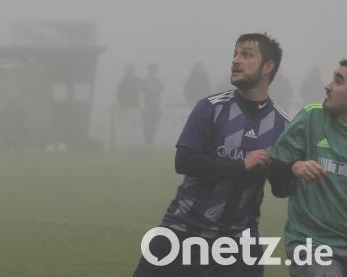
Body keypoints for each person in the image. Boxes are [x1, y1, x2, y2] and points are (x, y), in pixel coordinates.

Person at [133, 33, 290, 276]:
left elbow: (281, 190)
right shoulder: (211, 107)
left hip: (237, 243)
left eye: (246, 54)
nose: (236, 60)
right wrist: (242, 165)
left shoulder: (282, 125)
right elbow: (184, 161)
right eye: (235, 53)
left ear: (268, 66)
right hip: (183, 232)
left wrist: (290, 170)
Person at [269, 60, 347, 276]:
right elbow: (276, 179)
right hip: (314, 247)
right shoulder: (311, 117)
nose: (328, 85)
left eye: (338, 81)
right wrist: (294, 167)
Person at [141, 63, 164, 147]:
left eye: (154, 70)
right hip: (147, 106)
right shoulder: (145, 81)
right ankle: (146, 140)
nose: (153, 71)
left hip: (156, 106)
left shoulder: (158, 81)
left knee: (154, 123)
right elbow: (143, 92)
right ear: (149, 70)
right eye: (151, 69)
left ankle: (151, 140)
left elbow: (162, 89)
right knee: (147, 123)